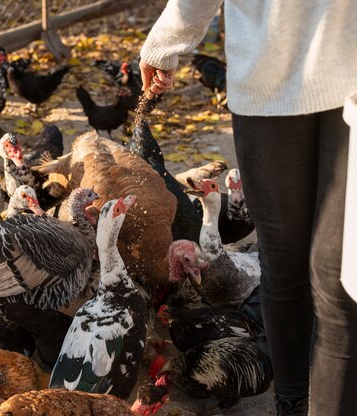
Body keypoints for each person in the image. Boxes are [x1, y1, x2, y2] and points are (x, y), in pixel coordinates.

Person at [138, 1, 357, 415]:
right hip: (265, 78)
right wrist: (168, 40)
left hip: (352, 73)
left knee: (337, 278)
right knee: (284, 267)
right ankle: (291, 403)